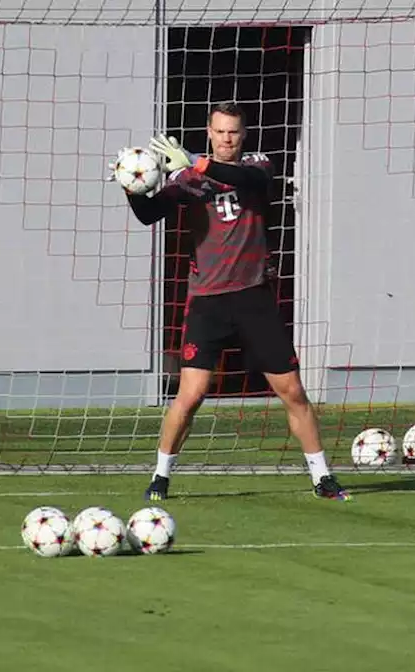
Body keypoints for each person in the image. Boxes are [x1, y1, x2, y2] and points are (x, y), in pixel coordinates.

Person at [112, 102, 350, 502]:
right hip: (207, 301)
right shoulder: (189, 178)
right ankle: (160, 477)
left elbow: (237, 177)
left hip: (254, 299)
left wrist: (196, 163)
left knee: (292, 391)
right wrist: (131, 185)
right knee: (191, 395)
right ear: (209, 131)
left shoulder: (258, 166)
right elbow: (149, 214)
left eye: (234, 132)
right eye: (220, 132)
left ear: (243, 134)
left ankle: (322, 477)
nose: (227, 139)